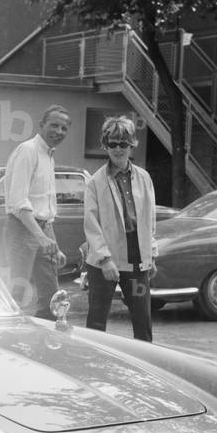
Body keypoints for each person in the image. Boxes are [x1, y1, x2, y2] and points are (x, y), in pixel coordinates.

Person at [83, 115, 158, 341]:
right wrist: (105, 260)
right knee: (97, 319)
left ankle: (145, 366)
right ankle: (92, 365)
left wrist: (151, 254)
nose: (118, 149)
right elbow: (91, 223)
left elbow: (149, 219)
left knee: (142, 318)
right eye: (113, 144)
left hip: (136, 261)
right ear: (105, 146)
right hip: (105, 263)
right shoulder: (95, 182)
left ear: (132, 145)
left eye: (123, 143)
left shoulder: (144, 178)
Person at [3, 105, 71, 318]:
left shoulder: (48, 155)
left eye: (63, 128)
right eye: (54, 125)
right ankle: (9, 342)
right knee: (19, 293)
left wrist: (54, 245)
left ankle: (47, 343)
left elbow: (44, 208)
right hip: (22, 229)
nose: (59, 132)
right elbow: (19, 201)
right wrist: (41, 237)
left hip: (43, 229)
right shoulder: (28, 151)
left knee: (51, 295)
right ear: (41, 125)